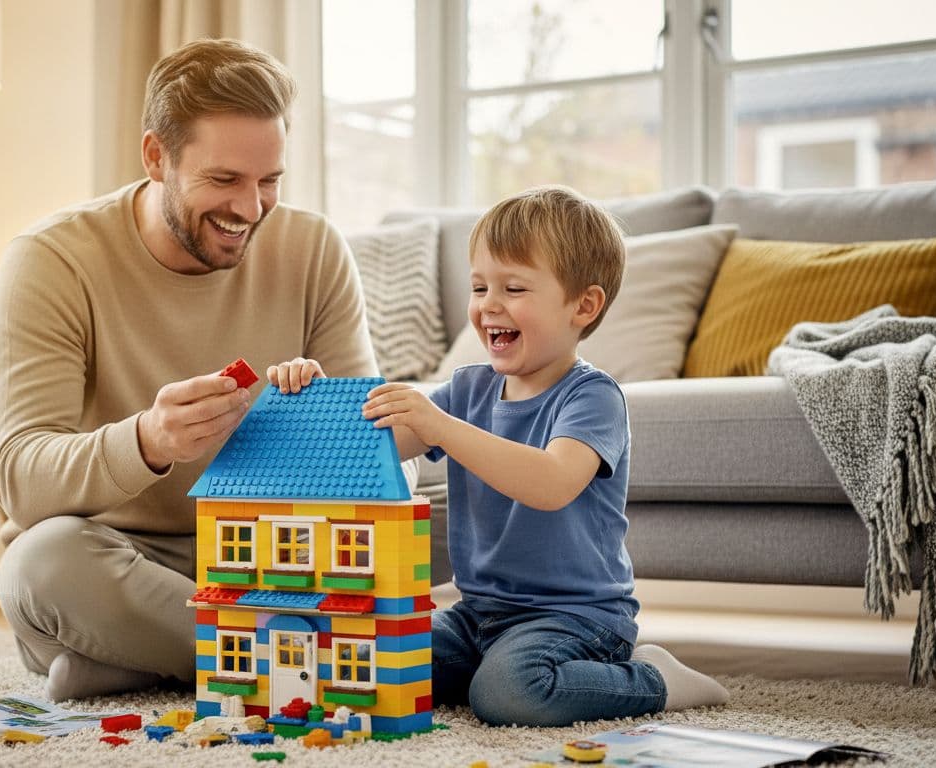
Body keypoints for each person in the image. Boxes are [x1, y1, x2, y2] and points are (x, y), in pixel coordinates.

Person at [0, 38, 384, 703]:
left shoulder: (313, 248)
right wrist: (148, 441)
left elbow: (373, 461)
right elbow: (21, 479)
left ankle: (144, 663)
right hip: (126, 558)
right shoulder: (51, 260)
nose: (252, 209)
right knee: (41, 564)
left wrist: (327, 425)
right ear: (155, 157)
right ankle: (316, 654)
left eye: (270, 181)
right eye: (224, 180)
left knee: (472, 501)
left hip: (278, 549)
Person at [272, 185, 728, 727]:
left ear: (583, 305)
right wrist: (318, 398)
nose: (489, 304)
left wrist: (443, 426)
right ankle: (486, 664)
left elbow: (551, 483)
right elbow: (370, 447)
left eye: (513, 288)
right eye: (479, 286)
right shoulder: (468, 390)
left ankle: (652, 678)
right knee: (376, 663)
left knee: (510, 695)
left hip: (577, 617)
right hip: (478, 613)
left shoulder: (592, 397)